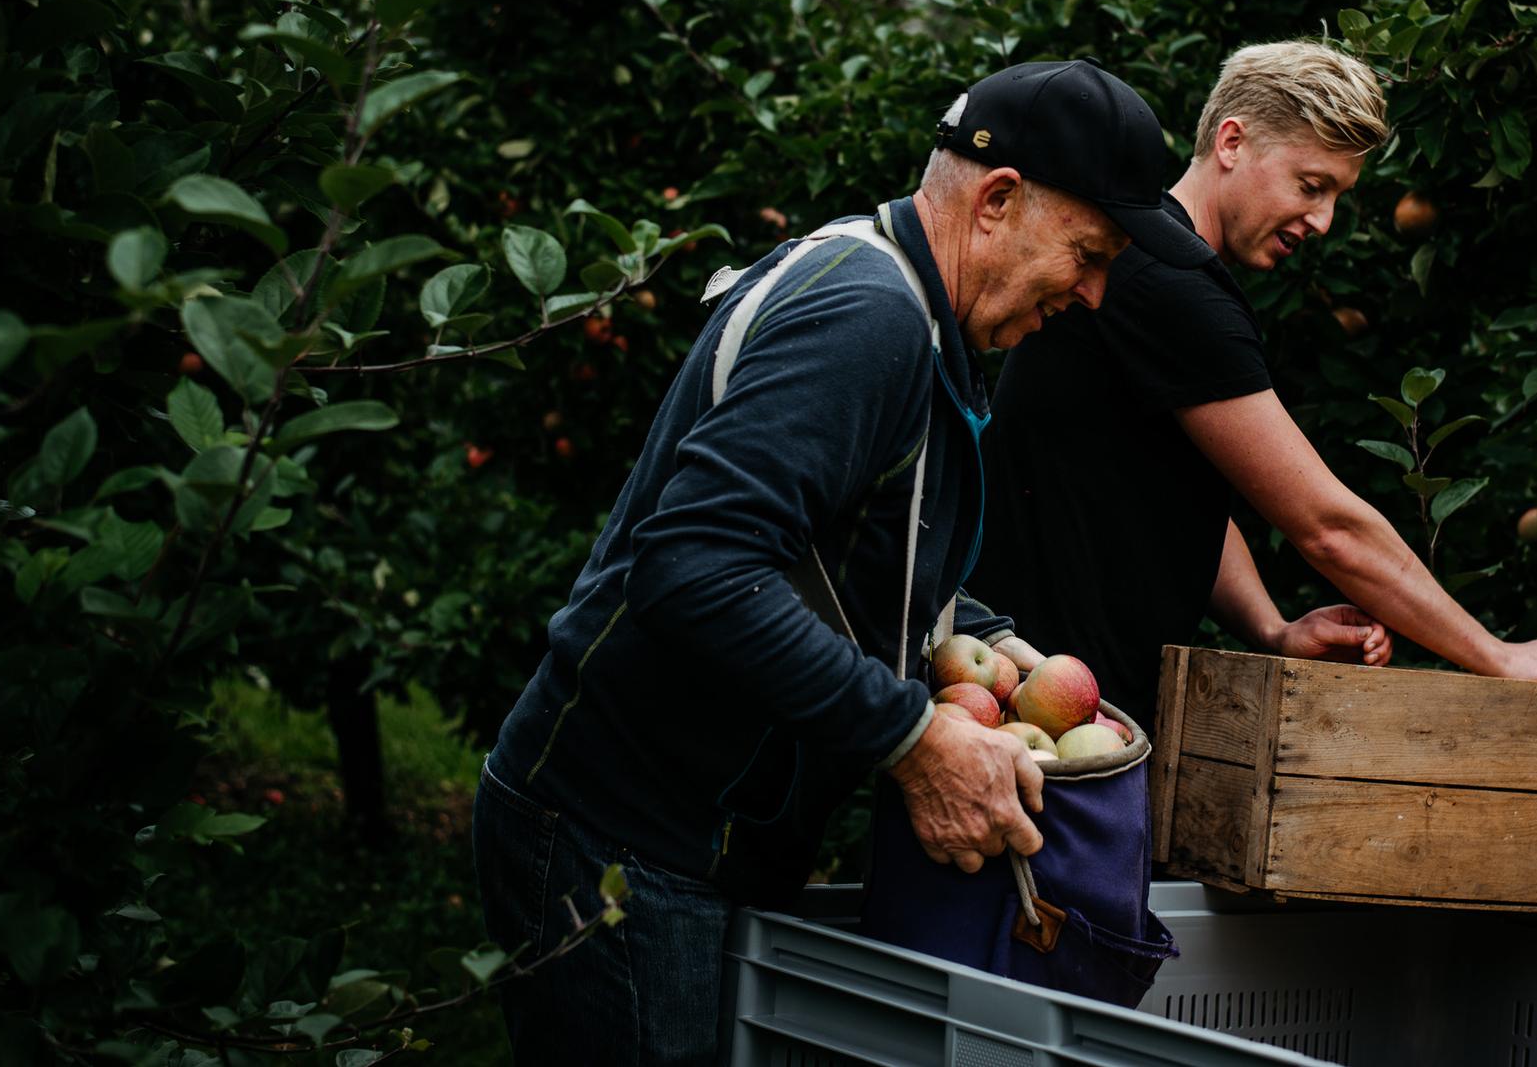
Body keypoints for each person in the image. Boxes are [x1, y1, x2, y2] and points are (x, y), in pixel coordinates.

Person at [473, 58, 1215, 1065]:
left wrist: (988, 640)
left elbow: (837, 551)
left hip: (681, 835)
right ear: (997, 200)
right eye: (1087, 254)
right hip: (623, 838)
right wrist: (911, 736)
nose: (1092, 292)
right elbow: (694, 564)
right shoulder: (869, 319)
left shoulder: (919, 317)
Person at [970, 41, 1537, 733]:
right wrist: (1500, 656)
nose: (1324, 220)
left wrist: (1271, 628)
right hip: (1048, 713)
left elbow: (1177, 490)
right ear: (1231, 142)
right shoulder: (1169, 284)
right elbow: (1328, 527)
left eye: (1336, 196)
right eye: (1311, 185)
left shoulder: (1153, 263)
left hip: (1064, 700)